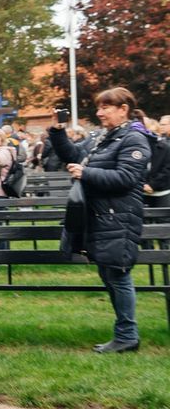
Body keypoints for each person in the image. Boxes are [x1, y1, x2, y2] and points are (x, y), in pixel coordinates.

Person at [49, 87, 150, 353]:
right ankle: (125, 335)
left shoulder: (134, 139)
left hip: (120, 216)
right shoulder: (103, 136)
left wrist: (86, 173)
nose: (99, 112)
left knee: (118, 275)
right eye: (99, 107)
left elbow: (127, 178)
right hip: (101, 216)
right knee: (109, 274)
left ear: (123, 109)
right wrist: (58, 132)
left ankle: (127, 335)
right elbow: (72, 155)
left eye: (106, 107)